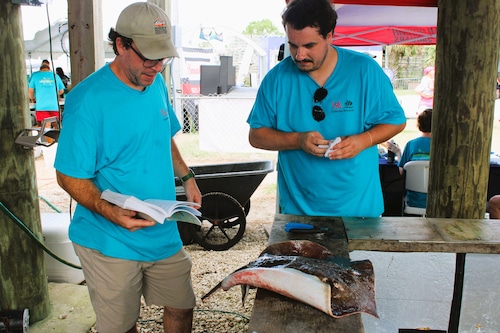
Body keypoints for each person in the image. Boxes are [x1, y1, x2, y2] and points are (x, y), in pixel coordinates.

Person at [54, 3, 201, 333]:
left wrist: (187, 176)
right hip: (109, 238)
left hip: (160, 227)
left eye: (162, 58)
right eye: (149, 57)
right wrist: (108, 211)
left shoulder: (156, 83)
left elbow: (163, 134)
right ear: (120, 44)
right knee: (121, 325)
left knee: (182, 305)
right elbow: (67, 175)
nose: (157, 67)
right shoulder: (88, 100)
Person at [247, 0, 406, 217]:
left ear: (330, 35)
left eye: (309, 46)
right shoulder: (276, 79)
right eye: (293, 45)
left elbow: (396, 120)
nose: (299, 55)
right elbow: (257, 136)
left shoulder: (364, 70)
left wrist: (363, 141)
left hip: (360, 212)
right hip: (299, 213)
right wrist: (297, 140)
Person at [387, 108, 432, 209]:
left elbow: (402, 172)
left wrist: (398, 153)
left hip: (414, 201)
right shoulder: (443, 146)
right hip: (438, 201)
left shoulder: (411, 145)